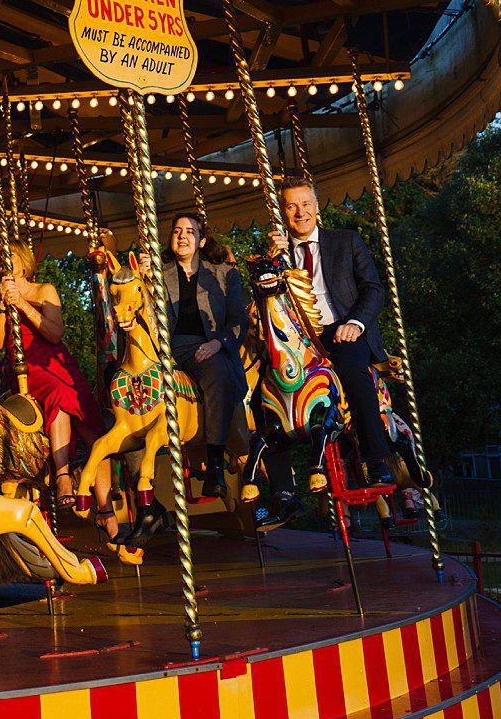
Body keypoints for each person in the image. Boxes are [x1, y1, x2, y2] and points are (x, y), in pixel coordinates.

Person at [266, 177, 395, 488]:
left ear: (316, 206)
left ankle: (376, 461)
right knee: (261, 390)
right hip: (300, 339)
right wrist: (270, 261)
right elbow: (262, 298)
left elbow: (374, 289)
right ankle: (282, 489)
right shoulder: (277, 253)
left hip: (343, 330)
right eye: (292, 206)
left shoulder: (346, 241)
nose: (300, 213)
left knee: (353, 373)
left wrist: (355, 323)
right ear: (283, 212)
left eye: (305, 204)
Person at [0, 241, 102, 515]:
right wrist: (4, 306)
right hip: (24, 372)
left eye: (9, 255)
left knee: (91, 429)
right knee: (58, 395)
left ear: (24, 262)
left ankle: (106, 506)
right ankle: (62, 477)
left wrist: (22, 304)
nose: (4, 260)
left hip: (54, 364)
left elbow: (54, 333)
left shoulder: (44, 291)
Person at [161, 214, 249, 500]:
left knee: (217, 373)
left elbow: (239, 321)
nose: (182, 236)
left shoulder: (223, 274)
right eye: (177, 231)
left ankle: (214, 465)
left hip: (211, 345)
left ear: (201, 240)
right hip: (173, 347)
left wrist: (217, 343)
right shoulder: (160, 276)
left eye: (189, 231)